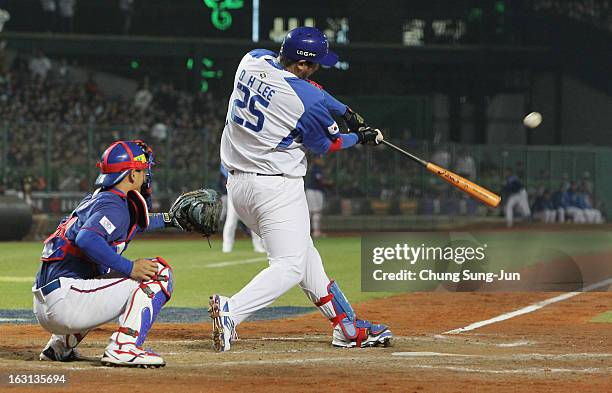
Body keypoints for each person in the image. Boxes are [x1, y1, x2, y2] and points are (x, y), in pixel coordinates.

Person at [211, 26, 392, 351]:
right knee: (290, 265)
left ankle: (346, 327)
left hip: (238, 185)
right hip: (275, 189)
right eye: (316, 63)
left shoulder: (252, 61)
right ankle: (231, 311)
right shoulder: (303, 103)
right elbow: (327, 143)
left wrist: (346, 112)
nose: (317, 68)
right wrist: (360, 137)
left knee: (305, 256)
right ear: (304, 65)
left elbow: (311, 91)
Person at [32, 140, 218, 367]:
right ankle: (124, 347)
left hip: (47, 302)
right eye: (142, 170)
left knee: (106, 269)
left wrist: (169, 219)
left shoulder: (99, 200)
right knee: (159, 273)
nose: (146, 176)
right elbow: (87, 238)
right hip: (66, 303)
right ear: (131, 176)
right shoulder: (114, 205)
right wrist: (130, 267)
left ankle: (60, 345)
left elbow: (131, 224)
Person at [220, 164, 265, 253]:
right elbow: (224, 168)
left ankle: (258, 246)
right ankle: (226, 247)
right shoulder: (230, 156)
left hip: (249, 189)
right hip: (234, 187)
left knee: (253, 219)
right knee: (231, 221)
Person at [305, 156, 333, 238]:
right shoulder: (315, 168)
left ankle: (310, 232)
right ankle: (316, 232)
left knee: (312, 213)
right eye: (320, 158)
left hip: (314, 191)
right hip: (314, 191)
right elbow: (321, 181)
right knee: (316, 212)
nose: (322, 160)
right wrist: (329, 183)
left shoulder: (316, 168)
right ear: (316, 159)